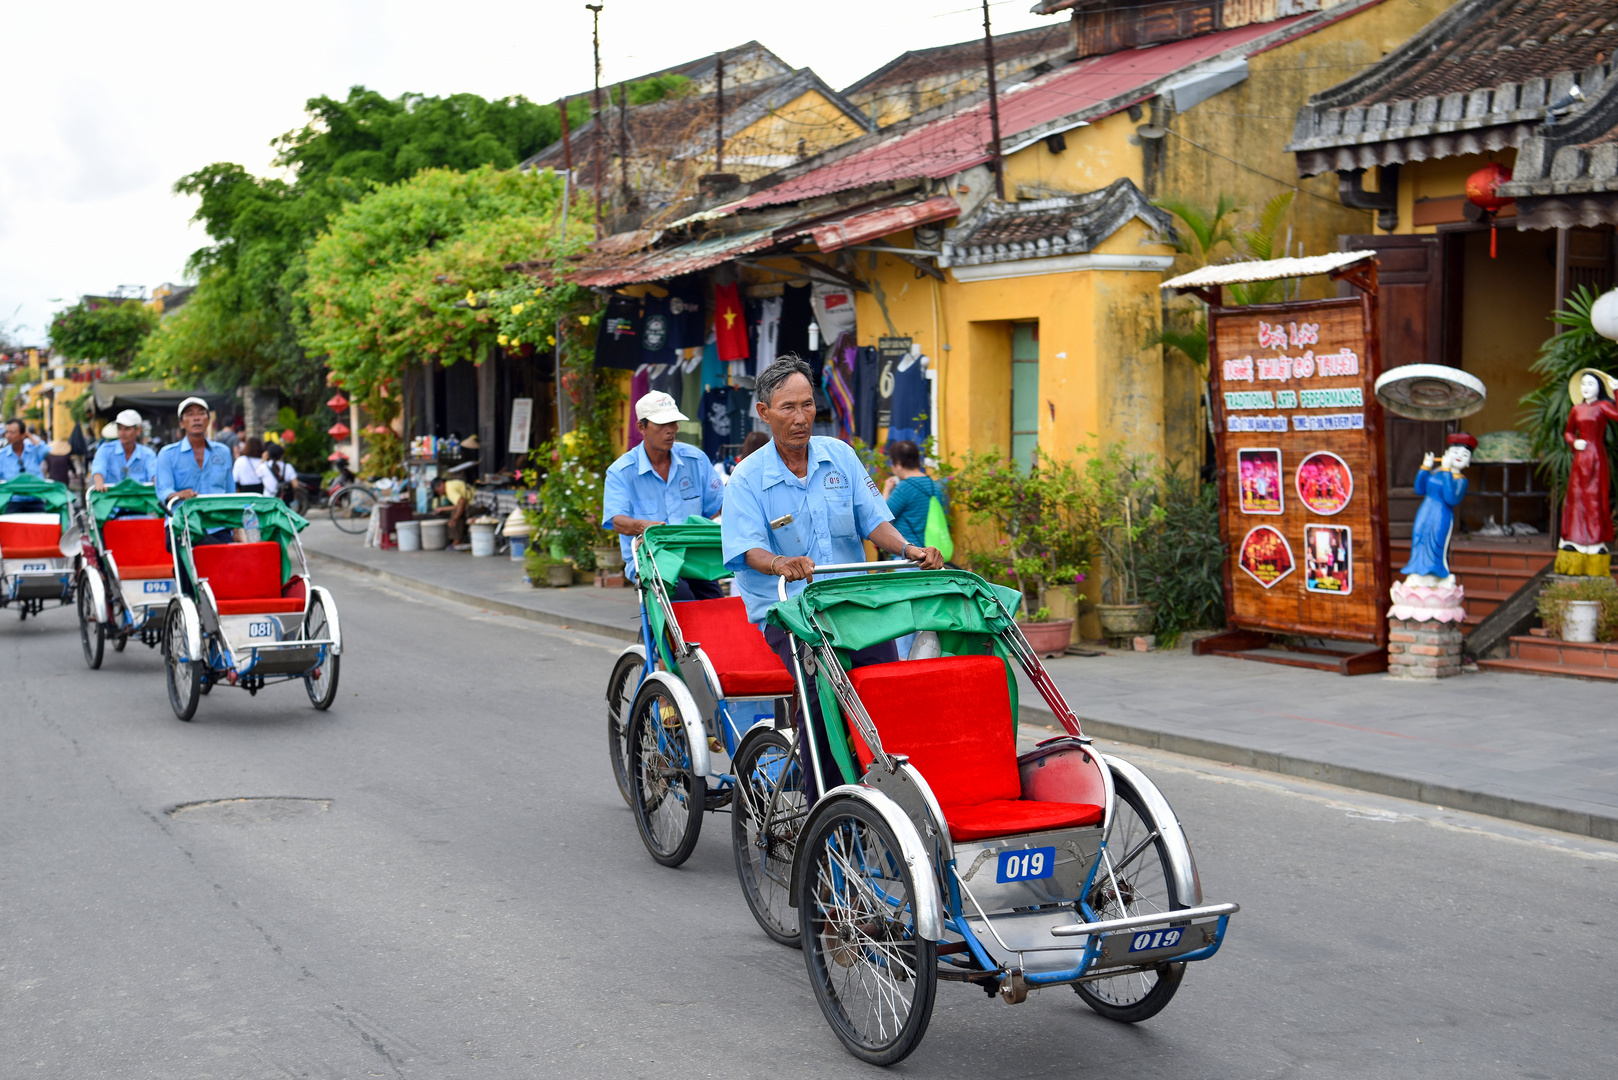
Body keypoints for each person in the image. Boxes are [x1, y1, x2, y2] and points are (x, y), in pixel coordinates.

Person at [721, 356, 944, 797]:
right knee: (821, 698)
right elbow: (747, 548)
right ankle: (821, 809)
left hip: (853, 603)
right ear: (764, 412)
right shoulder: (747, 477)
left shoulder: (839, 455)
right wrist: (779, 562)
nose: (801, 417)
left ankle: (879, 797)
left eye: (807, 406)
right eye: (788, 408)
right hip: (791, 612)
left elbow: (873, 521)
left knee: (883, 692)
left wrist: (908, 549)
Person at [602, 390, 726, 598]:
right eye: (662, 425)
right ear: (641, 427)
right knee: (683, 599)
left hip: (696, 556)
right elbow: (617, 521)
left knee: (717, 605)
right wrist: (644, 527)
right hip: (651, 559)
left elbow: (720, 504)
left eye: (674, 423)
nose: (671, 430)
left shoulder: (695, 460)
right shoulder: (622, 471)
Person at [882, 439, 947, 656]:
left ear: (898, 463)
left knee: (905, 617)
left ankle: (903, 662)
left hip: (908, 559)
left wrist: (887, 489)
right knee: (924, 617)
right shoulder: (934, 486)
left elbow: (880, 520)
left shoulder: (905, 488)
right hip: (931, 558)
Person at [1556, 369, 1618, 576]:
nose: (1586, 388)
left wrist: (1617, 391)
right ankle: (1574, 539)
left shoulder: (1603, 406)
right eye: (1583, 384)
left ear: (1599, 388)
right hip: (1580, 459)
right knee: (1576, 498)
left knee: (1594, 498)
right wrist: (1574, 441)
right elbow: (1567, 431)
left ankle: (1593, 540)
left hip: (1597, 458)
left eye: (1591, 384)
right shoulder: (1577, 409)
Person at [1401, 432, 1475, 583]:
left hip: (1441, 515)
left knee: (1436, 542)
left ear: (1468, 462)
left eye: (1465, 454)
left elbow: (1451, 498)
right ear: (1446, 454)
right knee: (1419, 538)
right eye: (1455, 452)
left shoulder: (1461, 481)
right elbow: (1419, 489)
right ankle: (1416, 569)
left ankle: (1435, 574)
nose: (1459, 456)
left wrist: (1448, 470)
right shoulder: (1436, 471)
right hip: (1425, 511)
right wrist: (1425, 467)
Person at [155, 397, 235, 511]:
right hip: (183, 521)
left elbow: (230, 491)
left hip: (218, 521)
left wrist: (235, 523)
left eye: (201, 413)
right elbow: (163, 491)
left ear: (208, 421)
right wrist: (179, 495)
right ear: (181, 423)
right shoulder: (167, 454)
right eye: (190, 414)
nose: (196, 418)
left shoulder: (223, 452)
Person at [89, 409, 158, 490]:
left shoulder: (148, 454)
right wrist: (99, 484)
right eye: (119, 428)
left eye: (127, 429)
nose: (122, 433)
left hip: (139, 499)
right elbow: (98, 469)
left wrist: (157, 482)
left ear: (138, 430)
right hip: (111, 499)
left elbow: (154, 474)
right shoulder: (105, 450)